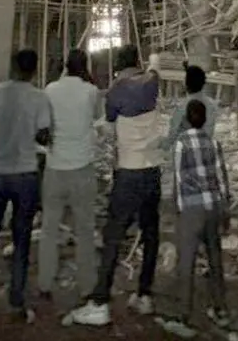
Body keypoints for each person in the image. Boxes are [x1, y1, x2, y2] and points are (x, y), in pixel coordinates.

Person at [65, 45, 161, 327]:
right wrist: (153, 59)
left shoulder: (116, 91)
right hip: (153, 171)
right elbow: (156, 65)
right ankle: (144, 295)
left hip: (129, 173)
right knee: (151, 234)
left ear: (118, 67)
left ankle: (99, 302)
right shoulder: (152, 82)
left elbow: (109, 127)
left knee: (113, 236)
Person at [0, 49, 52, 319]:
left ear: (13, 66)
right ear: (34, 69)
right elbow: (43, 136)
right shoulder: (40, 98)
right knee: (21, 239)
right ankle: (16, 295)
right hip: (26, 173)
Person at [38, 48, 101, 300]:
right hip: (82, 167)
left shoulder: (50, 90)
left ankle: (44, 282)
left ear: (65, 65)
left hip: (55, 166)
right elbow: (96, 118)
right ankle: (87, 286)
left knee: (49, 229)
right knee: (85, 230)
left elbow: (45, 125)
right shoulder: (91, 91)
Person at [170, 99, 231, 329]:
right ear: (205, 120)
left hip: (192, 209)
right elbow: (222, 180)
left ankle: (183, 314)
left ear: (187, 119)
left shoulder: (181, 144)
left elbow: (177, 178)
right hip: (213, 207)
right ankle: (220, 309)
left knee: (186, 262)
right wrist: (224, 210)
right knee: (215, 259)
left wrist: (178, 208)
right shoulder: (214, 144)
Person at [164, 64, 219, 151]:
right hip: (206, 148)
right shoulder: (212, 104)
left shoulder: (182, 107)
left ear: (186, 84)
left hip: (185, 151)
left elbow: (172, 135)